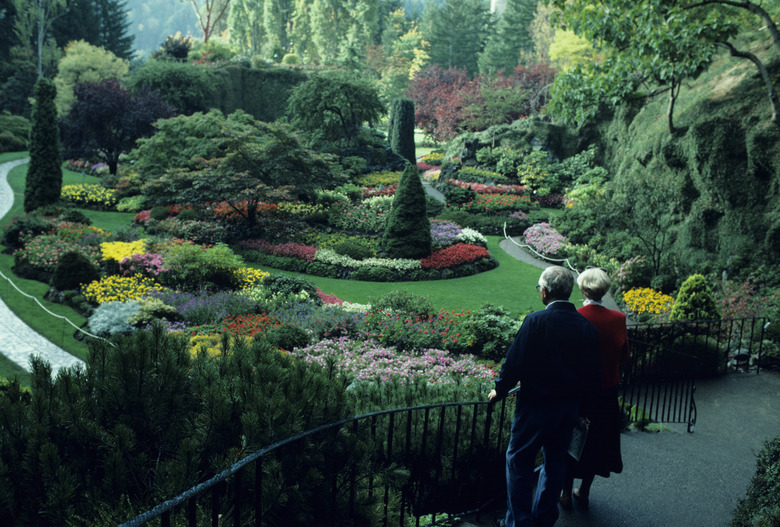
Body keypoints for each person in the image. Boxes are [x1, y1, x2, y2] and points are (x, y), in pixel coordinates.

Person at [489, 266, 601, 527]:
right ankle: (543, 519)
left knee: (519, 462)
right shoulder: (586, 327)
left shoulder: (536, 321)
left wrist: (500, 390)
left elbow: (514, 363)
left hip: (535, 407)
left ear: (545, 292)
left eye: (540, 288)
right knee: (555, 463)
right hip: (567, 409)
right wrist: (583, 410)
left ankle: (519, 522)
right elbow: (593, 375)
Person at [560, 267, 630, 511]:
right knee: (598, 441)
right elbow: (624, 356)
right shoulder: (618, 319)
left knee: (573, 440)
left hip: (579, 392)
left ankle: (566, 491)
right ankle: (585, 490)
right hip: (606, 391)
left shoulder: (576, 316)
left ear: (582, 289)